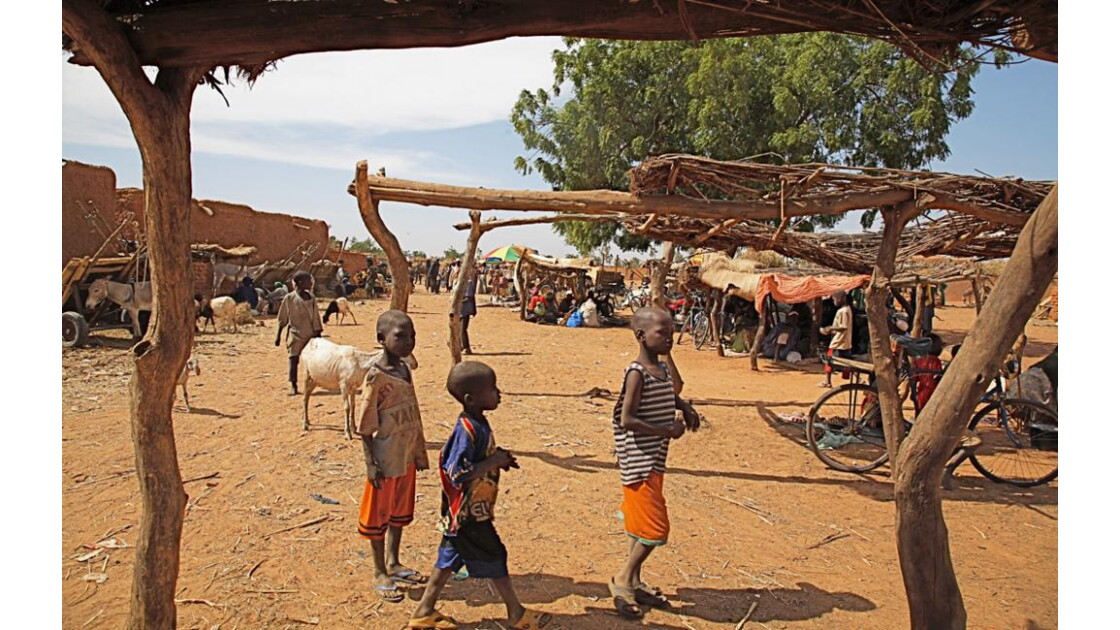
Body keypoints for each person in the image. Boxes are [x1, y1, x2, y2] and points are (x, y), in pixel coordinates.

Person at [407, 362, 552, 630]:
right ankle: (515, 613)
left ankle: (423, 611)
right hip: (467, 514)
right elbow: (456, 472)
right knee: (495, 555)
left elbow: (479, 458)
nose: (499, 393)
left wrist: (499, 459)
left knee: (447, 560)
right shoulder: (466, 430)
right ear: (471, 399)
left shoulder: (478, 423)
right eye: (492, 389)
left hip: (465, 513)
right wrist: (492, 461)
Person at [609, 308, 700, 619]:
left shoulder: (659, 370)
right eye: (662, 333)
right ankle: (622, 579)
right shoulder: (636, 372)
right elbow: (627, 418)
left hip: (654, 459)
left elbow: (666, 392)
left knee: (639, 523)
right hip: (639, 461)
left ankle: (634, 582)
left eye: (671, 332)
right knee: (656, 529)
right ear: (641, 336)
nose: (669, 338)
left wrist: (684, 405)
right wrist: (667, 430)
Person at [356, 310, 430, 603]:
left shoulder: (404, 370)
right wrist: (370, 463)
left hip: (406, 454)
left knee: (399, 513)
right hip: (384, 460)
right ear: (381, 339)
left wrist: (418, 452)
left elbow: (413, 413)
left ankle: (393, 561)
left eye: (412, 335)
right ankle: (378, 571)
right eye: (400, 336)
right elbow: (364, 425)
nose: (408, 341)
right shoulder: (376, 376)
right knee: (378, 516)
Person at [275, 272, 323, 395]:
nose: (312, 283)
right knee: (293, 358)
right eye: (309, 281)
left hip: (311, 334)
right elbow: (283, 318)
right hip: (295, 334)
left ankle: (313, 381)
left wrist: (318, 333)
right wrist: (278, 336)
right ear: (301, 283)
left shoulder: (312, 298)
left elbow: (316, 316)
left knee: (313, 360)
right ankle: (293, 384)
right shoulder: (289, 299)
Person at [819, 290, 853, 388]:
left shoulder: (843, 311)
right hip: (845, 341)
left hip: (838, 342)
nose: (834, 301)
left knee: (829, 361)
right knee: (847, 363)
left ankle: (827, 381)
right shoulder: (847, 309)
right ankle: (857, 380)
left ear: (841, 298)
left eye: (834, 298)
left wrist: (830, 328)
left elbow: (843, 326)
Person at [459, 265, 478, 354]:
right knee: (458, 329)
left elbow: (469, 297)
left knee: (463, 329)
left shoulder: (469, 283)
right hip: (459, 310)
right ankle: (460, 346)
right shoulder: (460, 282)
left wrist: (459, 301)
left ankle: (466, 348)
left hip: (465, 309)